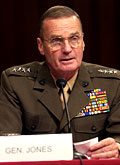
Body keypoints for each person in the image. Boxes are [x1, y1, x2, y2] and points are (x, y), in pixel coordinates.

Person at [0, 5, 120, 159]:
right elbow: (6, 144)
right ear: (41, 46)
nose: (67, 49)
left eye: (74, 39)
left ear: (83, 42)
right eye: (57, 41)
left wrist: (116, 147)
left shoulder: (111, 83)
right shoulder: (16, 83)